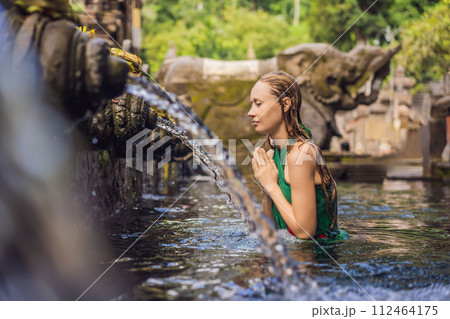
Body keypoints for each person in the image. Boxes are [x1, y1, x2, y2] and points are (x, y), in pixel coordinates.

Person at [248, 70, 349, 241]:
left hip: (320, 260)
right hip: (293, 256)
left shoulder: (301, 155)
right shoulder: (275, 154)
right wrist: (266, 190)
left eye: (258, 104)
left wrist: (272, 187)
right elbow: (271, 231)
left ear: (285, 104)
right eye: (251, 104)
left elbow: (304, 232)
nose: (251, 112)